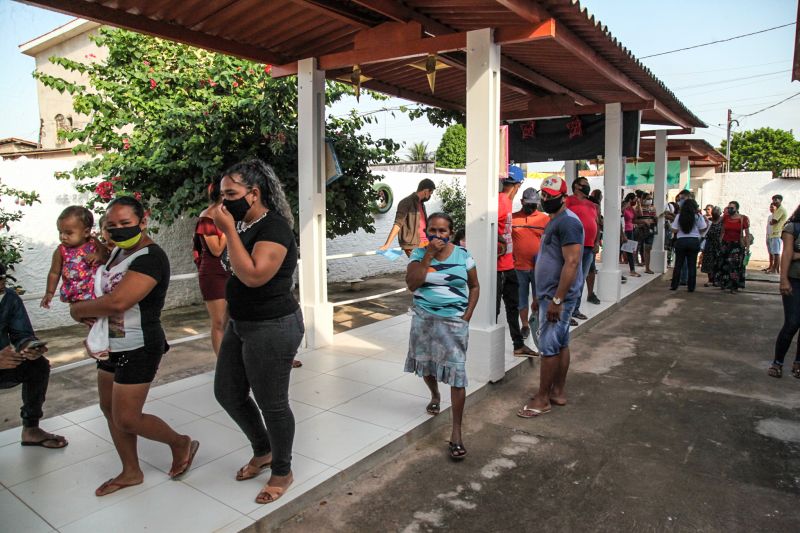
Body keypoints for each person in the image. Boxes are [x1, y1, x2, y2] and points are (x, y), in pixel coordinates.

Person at [69, 196, 198, 496]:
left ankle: (180, 443)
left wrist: (78, 310)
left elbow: (119, 301)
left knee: (127, 417)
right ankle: (131, 471)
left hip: (139, 345)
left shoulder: (151, 258)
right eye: (111, 225)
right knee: (108, 408)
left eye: (126, 223)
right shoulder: (116, 251)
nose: (118, 230)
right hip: (111, 344)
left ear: (143, 221)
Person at [210, 159, 304, 505]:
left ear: (253, 193)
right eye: (222, 195)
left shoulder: (274, 228)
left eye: (230, 194)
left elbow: (252, 275)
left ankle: (282, 470)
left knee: (272, 404)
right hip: (242, 323)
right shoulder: (244, 225)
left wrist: (228, 229)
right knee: (227, 392)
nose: (224, 201)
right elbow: (234, 271)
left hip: (273, 325)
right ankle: (263, 450)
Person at [405, 212, 479, 459]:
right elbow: (412, 284)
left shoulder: (463, 255)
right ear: (427, 232)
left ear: (451, 232)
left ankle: (456, 432)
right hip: (424, 320)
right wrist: (428, 255)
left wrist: (467, 315)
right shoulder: (418, 255)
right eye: (433, 230)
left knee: (458, 374)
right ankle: (435, 394)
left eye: (443, 231)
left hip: (454, 322)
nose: (438, 235)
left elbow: (474, 286)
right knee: (426, 365)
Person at [517, 176, 583, 418]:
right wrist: (540, 296)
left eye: (550, 196)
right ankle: (557, 392)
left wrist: (557, 300)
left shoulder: (568, 223)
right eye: (543, 194)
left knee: (548, 348)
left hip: (558, 298)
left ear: (563, 198)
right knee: (560, 344)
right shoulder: (555, 220)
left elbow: (572, 262)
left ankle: (543, 399)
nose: (544, 199)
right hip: (549, 296)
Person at [0, 264, 67, 449]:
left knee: (38, 365)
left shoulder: (9, 298)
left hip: (5, 365)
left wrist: (29, 347)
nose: (2, 285)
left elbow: (21, 333)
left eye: (2, 280)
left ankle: (31, 429)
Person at [498, 167, 537, 356]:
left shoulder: (505, 202)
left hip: (509, 266)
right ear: (518, 185)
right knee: (495, 310)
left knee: (512, 307)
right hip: (498, 269)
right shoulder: (499, 202)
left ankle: (518, 345)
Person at [40, 206, 109, 309]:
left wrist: (98, 255)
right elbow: (54, 273)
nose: (63, 237)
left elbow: (106, 255)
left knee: (99, 314)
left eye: (69, 233)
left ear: (86, 232)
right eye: (60, 232)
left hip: (96, 291)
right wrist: (49, 292)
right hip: (75, 294)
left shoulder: (94, 243)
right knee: (82, 314)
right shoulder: (61, 251)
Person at [194, 177, 231, 356]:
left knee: (232, 320)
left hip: (232, 271)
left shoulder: (229, 213)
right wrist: (227, 229)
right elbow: (216, 250)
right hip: (213, 274)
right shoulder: (207, 216)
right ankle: (223, 364)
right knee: (219, 322)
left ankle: (233, 360)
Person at [511, 188, 549, 344]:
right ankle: (525, 325)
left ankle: (537, 322)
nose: (532, 208)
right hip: (519, 267)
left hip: (539, 267)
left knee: (538, 297)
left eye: (534, 205)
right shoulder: (513, 218)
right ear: (522, 202)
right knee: (521, 299)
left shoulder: (544, 219)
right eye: (529, 204)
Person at [771, 203, 800, 379]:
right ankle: (778, 362)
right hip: (794, 280)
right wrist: (783, 280)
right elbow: (787, 254)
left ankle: (798, 363)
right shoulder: (792, 228)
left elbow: (794, 254)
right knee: (792, 323)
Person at [565, 177, 599, 321]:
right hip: (574, 246)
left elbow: (597, 224)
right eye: (585, 184)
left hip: (589, 247)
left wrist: (597, 242)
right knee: (571, 279)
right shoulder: (568, 201)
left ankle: (575, 310)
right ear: (577, 186)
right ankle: (566, 312)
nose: (588, 186)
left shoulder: (592, 205)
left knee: (580, 279)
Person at [380, 178, 436, 257]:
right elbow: (398, 224)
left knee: (432, 264)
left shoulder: (421, 204)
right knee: (420, 264)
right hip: (413, 245)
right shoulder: (406, 202)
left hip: (426, 243)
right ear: (426, 191)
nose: (430, 196)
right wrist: (387, 245)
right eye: (430, 193)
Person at [669, 199, 707, 292]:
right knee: (692, 265)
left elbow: (674, 229)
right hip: (694, 241)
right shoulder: (698, 216)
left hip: (681, 241)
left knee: (678, 264)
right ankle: (691, 287)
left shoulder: (679, 216)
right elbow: (703, 228)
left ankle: (674, 285)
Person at [716, 201, 751, 294]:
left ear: (737, 209)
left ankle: (734, 286)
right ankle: (724, 283)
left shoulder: (743, 219)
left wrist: (747, 247)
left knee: (735, 265)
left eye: (732, 208)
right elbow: (722, 230)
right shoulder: (726, 218)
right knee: (724, 264)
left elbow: (747, 234)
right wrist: (720, 242)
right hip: (726, 244)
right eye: (728, 208)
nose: (730, 210)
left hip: (737, 245)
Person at [587, 189, 604, 298]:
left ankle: (590, 294)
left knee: (591, 268)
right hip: (579, 244)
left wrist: (597, 242)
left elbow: (598, 225)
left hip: (590, 244)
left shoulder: (595, 207)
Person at [635, 192, 658, 274]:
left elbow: (654, 218)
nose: (650, 200)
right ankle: (635, 263)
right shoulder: (638, 208)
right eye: (648, 198)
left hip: (650, 229)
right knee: (637, 247)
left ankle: (647, 268)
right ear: (643, 199)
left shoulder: (653, 208)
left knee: (648, 248)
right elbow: (636, 218)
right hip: (641, 230)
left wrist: (655, 219)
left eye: (651, 199)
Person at [701, 206, 723, 287]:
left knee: (718, 262)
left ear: (720, 213)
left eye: (717, 212)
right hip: (709, 243)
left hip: (718, 244)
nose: (715, 214)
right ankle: (710, 279)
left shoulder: (722, 221)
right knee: (709, 262)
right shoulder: (709, 220)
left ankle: (717, 280)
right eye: (714, 213)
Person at [621, 193, 640, 277]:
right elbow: (620, 212)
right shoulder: (624, 205)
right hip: (624, 230)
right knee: (623, 250)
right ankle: (632, 270)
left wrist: (638, 205)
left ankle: (632, 270)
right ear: (630, 199)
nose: (635, 201)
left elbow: (637, 216)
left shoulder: (631, 208)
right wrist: (627, 204)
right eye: (634, 199)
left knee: (630, 250)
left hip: (630, 230)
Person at [768, 194, 788, 274]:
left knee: (776, 253)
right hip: (775, 233)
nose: (774, 201)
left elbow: (773, 221)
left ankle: (774, 269)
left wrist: (771, 222)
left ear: (780, 200)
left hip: (777, 233)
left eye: (776, 200)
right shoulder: (778, 209)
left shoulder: (780, 209)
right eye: (773, 200)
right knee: (775, 252)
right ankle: (776, 269)